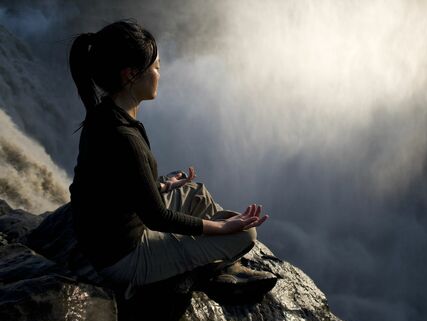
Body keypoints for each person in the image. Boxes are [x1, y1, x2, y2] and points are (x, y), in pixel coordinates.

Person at [68, 19, 276, 300]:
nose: (159, 74)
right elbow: (156, 217)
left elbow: (114, 186)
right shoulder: (122, 136)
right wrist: (222, 228)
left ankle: (214, 262)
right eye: (156, 68)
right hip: (123, 259)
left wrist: (163, 186)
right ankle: (212, 271)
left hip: (107, 235)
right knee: (244, 236)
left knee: (195, 192)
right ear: (130, 75)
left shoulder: (104, 114)